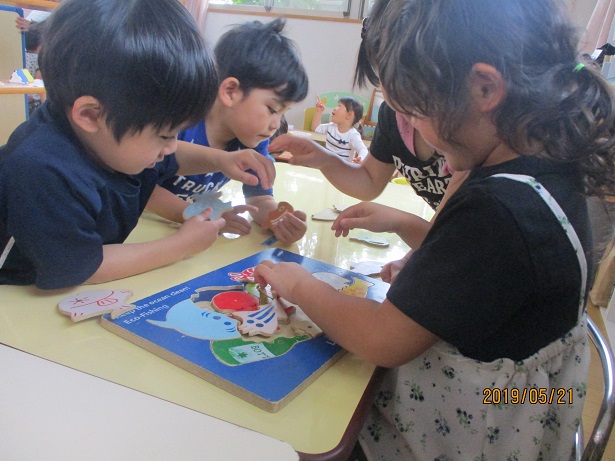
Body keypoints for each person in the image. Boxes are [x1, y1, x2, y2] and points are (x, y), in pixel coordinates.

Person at [256, 0, 615, 459]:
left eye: (417, 113)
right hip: (531, 408)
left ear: (485, 88)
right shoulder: (547, 164)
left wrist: (299, 283)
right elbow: (484, 270)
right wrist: (411, 235)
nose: (415, 130)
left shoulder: (497, 208)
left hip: (470, 431)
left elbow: (381, 339)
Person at [0, 0, 275, 290]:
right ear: (90, 115)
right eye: (165, 136)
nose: (172, 147)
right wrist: (180, 245)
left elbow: (174, 158)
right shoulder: (42, 171)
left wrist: (221, 161)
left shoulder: (112, 136)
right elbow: (83, 266)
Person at [147, 19, 308, 245]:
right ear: (231, 91)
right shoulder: (181, 120)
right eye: (272, 109)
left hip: (188, 231)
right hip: (142, 227)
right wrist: (203, 216)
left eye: (283, 113)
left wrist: (278, 221)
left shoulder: (252, 139)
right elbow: (142, 188)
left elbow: (259, 198)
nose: (275, 124)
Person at [311, 96, 369, 163]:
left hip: (342, 168)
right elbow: (315, 128)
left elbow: (363, 149)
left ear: (349, 115)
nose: (334, 108)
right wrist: (319, 112)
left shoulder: (352, 135)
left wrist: (361, 157)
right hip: (327, 164)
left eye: (339, 106)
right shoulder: (331, 126)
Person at [24, 20, 46, 115]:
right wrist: (44, 104)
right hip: (35, 102)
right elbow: (39, 80)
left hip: (24, 99)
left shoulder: (22, 57)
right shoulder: (39, 59)